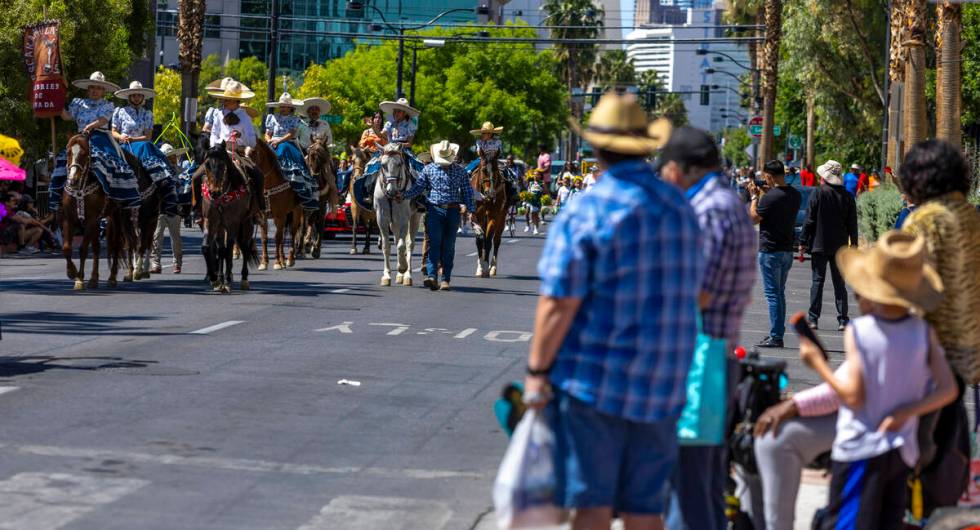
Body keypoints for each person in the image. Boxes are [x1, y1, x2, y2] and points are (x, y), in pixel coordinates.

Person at [524, 93, 701, 530]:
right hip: (663, 382)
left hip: (592, 384)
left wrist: (537, 371)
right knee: (645, 508)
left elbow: (558, 302)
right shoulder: (680, 207)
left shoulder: (587, 208)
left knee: (592, 505)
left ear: (596, 149)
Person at [798, 230, 957, 529]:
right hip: (902, 449)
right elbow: (947, 388)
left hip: (860, 446)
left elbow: (853, 396)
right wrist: (907, 411)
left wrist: (818, 364)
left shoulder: (860, 332)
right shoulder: (923, 333)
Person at [657, 126, 757, 530]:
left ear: (679, 170)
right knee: (704, 484)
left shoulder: (710, 209)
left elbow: (700, 290)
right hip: (710, 355)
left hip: (698, 359)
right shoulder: (722, 203)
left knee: (689, 484)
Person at [50, 71, 141, 214]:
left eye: (98, 88)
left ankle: (115, 197)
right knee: (64, 159)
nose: (95, 90)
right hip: (81, 138)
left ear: (103, 91)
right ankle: (58, 199)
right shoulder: (78, 103)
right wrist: (57, 104)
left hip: (100, 137)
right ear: (88, 89)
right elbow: (67, 117)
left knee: (108, 162)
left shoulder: (108, 105)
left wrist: (90, 126)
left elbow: (104, 120)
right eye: (92, 87)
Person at [399, 140, 474, 291]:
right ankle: (432, 276)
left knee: (449, 246)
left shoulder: (460, 171)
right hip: (434, 210)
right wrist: (404, 195)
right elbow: (418, 188)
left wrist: (471, 210)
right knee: (434, 244)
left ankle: (445, 278)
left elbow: (467, 192)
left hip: (453, 211)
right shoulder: (428, 170)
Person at [748, 159, 802, 348]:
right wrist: (765, 193)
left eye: (765, 177)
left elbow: (753, 218)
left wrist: (754, 198)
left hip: (770, 251)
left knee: (772, 295)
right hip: (787, 251)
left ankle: (776, 336)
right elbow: (776, 206)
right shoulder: (795, 195)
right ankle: (777, 333)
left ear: (769, 176)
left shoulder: (771, 197)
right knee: (780, 294)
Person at [800, 160, 858, 331]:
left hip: (819, 244)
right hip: (840, 247)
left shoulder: (818, 194)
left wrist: (802, 242)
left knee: (817, 281)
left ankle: (813, 319)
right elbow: (852, 224)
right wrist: (854, 246)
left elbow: (809, 220)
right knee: (839, 284)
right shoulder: (848, 197)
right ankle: (843, 319)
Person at [111, 80, 180, 218]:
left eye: (139, 95)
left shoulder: (148, 114)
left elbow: (147, 136)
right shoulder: (120, 112)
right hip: (124, 146)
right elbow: (113, 131)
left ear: (142, 97)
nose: (136, 97)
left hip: (141, 144)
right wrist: (122, 136)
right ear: (129, 97)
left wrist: (133, 139)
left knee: (148, 146)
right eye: (134, 95)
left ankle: (164, 183)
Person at [206, 80, 265, 212]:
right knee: (196, 176)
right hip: (219, 151)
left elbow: (252, 142)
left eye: (228, 99)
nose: (224, 102)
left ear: (236, 101)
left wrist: (240, 136)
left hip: (238, 152)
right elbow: (214, 133)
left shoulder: (245, 117)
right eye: (225, 99)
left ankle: (258, 208)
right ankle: (197, 208)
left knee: (258, 175)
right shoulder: (218, 114)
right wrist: (214, 148)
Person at [265, 92, 319, 212]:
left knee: (283, 149)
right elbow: (268, 133)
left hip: (287, 142)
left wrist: (278, 141)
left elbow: (291, 134)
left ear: (290, 108)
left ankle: (296, 182)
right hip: (272, 142)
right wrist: (269, 141)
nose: (282, 108)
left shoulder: (295, 119)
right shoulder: (272, 117)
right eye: (281, 106)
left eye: (285, 106)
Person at [151, 143, 187, 274]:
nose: (173, 159)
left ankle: (177, 263)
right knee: (156, 237)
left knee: (175, 239)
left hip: (174, 209)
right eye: (170, 157)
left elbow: (183, 189)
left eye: (173, 157)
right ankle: (156, 263)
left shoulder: (180, 173)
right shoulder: (156, 172)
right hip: (160, 209)